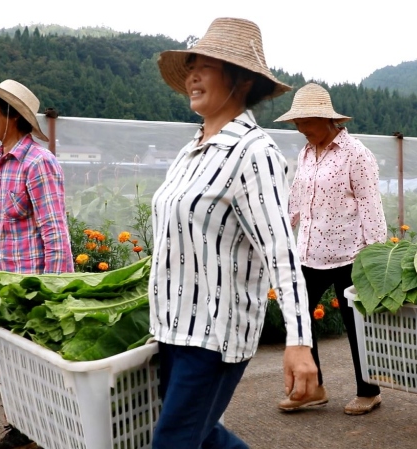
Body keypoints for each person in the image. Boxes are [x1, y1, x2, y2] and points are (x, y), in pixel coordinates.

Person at [151, 17, 318, 448]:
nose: (192, 75)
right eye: (190, 65)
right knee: (204, 438)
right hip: (170, 328)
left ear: (241, 80)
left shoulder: (254, 153)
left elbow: (281, 254)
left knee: (172, 442)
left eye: (205, 65)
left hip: (212, 334)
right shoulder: (190, 152)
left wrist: (300, 342)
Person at [0, 79, 74, 449]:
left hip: (32, 289)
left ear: (13, 115)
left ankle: (40, 433)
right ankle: (25, 426)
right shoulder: (0, 162)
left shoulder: (39, 163)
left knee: (35, 364)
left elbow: (56, 235)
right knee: (2, 356)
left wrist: (54, 295)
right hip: (3, 285)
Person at [274, 83, 387, 415]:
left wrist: (376, 256)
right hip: (308, 254)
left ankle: (369, 391)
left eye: (305, 123)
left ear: (324, 119)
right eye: (296, 124)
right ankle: (314, 388)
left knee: (357, 327)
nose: (300, 130)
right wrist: (280, 233)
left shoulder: (356, 154)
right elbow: (296, 199)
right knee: (298, 320)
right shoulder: (306, 152)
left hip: (349, 254)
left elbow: (371, 206)